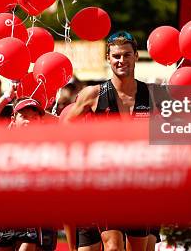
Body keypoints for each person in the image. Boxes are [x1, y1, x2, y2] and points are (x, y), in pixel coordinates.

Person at [63, 31, 156, 251]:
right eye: (116, 56)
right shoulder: (93, 94)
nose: (121, 61)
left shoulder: (151, 94)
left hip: (140, 183)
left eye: (126, 55)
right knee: (113, 246)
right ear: (108, 58)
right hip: (106, 182)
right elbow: (65, 128)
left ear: (135, 57)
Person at [0, 97, 58, 251]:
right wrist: (7, 96)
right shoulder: (3, 137)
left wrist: (42, 113)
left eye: (34, 117)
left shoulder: (46, 140)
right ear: (13, 119)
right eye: (24, 116)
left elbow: (66, 124)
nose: (29, 121)